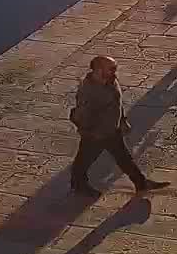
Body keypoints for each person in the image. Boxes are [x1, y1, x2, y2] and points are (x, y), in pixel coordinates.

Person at [69, 56, 169, 196]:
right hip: (96, 133)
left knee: (123, 158)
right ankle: (78, 185)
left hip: (112, 129)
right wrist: (92, 132)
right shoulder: (88, 90)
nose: (115, 71)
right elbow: (82, 114)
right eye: (111, 68)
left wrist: (122, 120)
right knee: (84, 159)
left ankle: (141, 183)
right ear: (99, 70)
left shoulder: (110, 81)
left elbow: (117, 103)